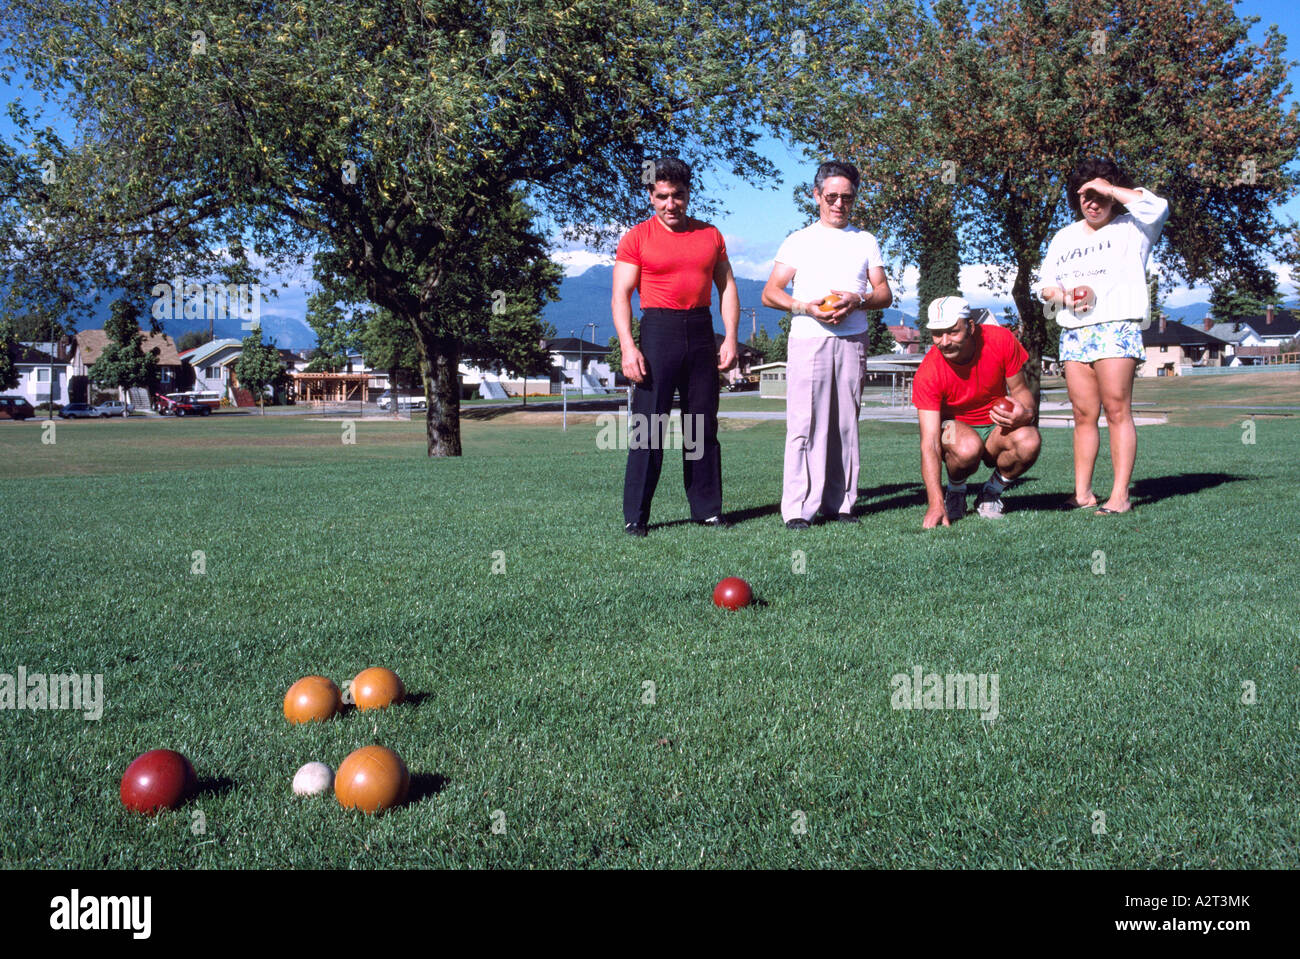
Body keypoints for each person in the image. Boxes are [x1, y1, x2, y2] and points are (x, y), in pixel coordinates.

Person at [760, 160, 891, 529]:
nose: (838, 204)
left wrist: (857, 300)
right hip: (809, 339)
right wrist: (806, 307)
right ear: (816, 196)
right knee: (805, 423)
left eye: (846, 197)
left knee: (845, 423)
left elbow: (884, 293)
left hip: (853, 340)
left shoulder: (865, 241)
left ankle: (843, 503)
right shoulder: (799, 240)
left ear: (854, 199)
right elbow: (770, 293)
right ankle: (799, 508)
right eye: (831, 196)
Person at [613, 156, 740, 536]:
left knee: (701, 427)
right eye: (663, 196)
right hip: (658, 332)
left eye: (678, 196)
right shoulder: (636, 238)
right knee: (647, 428)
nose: (671, 204)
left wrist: (730, 335)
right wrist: (628, 346)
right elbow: (621, 295)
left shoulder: (710, 236)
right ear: (651, 196)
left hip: (701, 331)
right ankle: (636, 516)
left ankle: (707, 510)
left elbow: (728, 286)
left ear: (688, 194)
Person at [1038, 159, 1169, 514]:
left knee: (1116, 410)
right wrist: (1067, 298)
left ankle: (1120, 495)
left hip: (1117, 327)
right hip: (1075, 333)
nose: (1092, 203)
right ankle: (1082, 493)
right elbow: (1046, 287)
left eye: (1099, 196)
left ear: (1113, 195)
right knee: (1083, 415)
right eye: (1085, 196)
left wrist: (1109, 187)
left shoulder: (1135, 226)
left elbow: (1158, 205)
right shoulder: (1064, 237)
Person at [912, 297, 1041, 527]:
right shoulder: (928, 372)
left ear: (970, 326)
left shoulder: (1000, 339)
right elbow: (929, 442)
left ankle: (990, 494)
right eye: (937, 334)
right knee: (967, 446)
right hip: (953, 431)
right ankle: (956, 492)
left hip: (995, 427)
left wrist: (1026, 414)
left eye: (952, 332)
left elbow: (1020, 390)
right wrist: (935, 503)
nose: (944, 342)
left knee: (1029, 440)